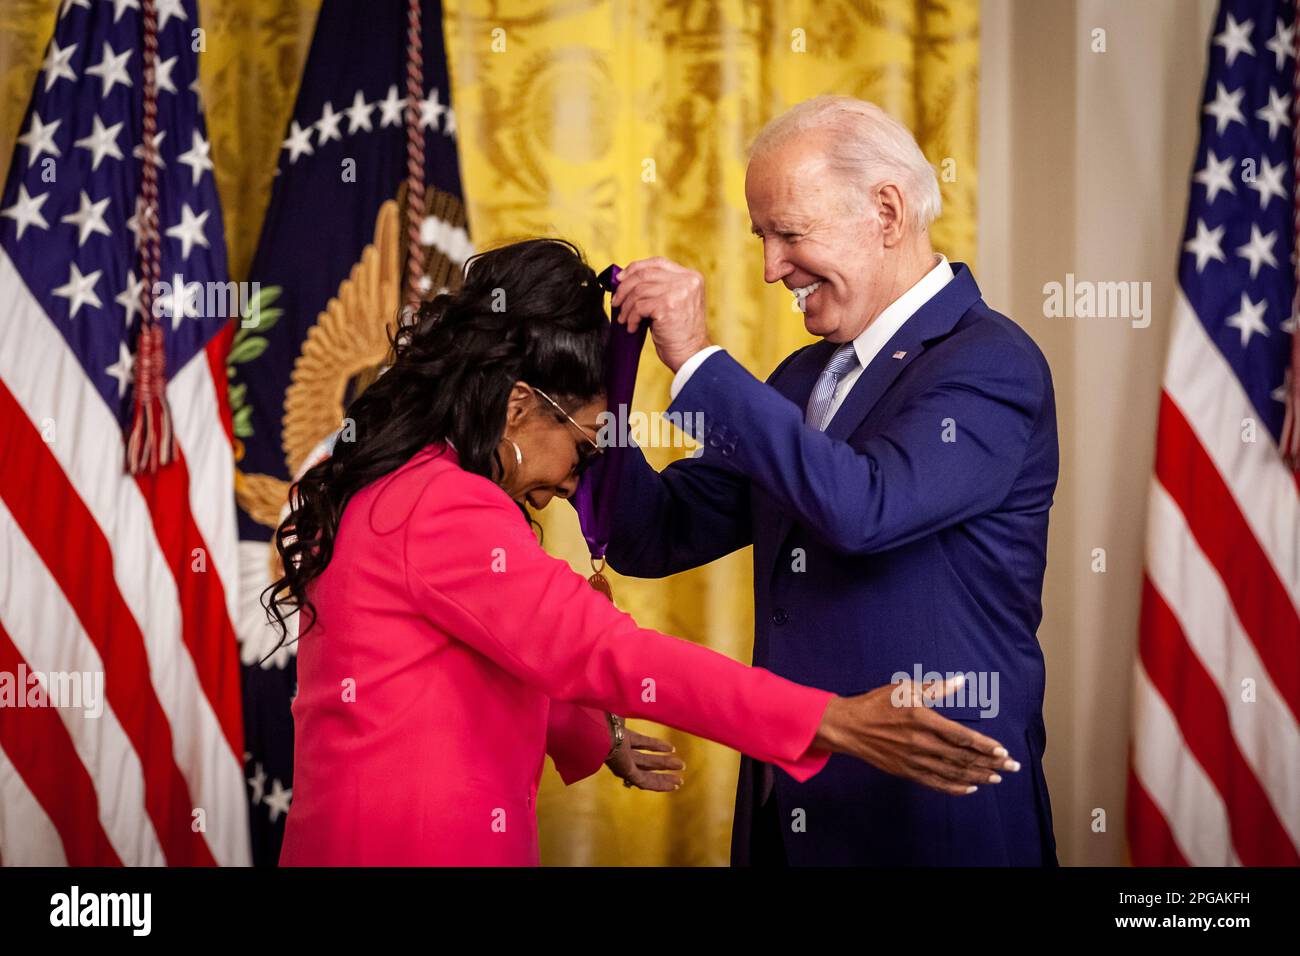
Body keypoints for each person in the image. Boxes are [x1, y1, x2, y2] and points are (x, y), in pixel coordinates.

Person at [265, 237, 1019, 866]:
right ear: (520, 406)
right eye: (584, 444)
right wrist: (827, 720)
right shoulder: (444, 503)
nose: (575, 478)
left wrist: (595, 737)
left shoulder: (411, 485)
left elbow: (483, 656)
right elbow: (606, 653)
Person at [606, 96, 1059, 866]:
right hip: (790, 806)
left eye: (788, 234)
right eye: (762, 237)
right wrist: (592, 407)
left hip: (929, 819)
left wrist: (700, 365)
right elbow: (654, 535)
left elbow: (865, 507)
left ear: (886, 210)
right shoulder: (798, 376)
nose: (770, 268)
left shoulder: (990, 360)